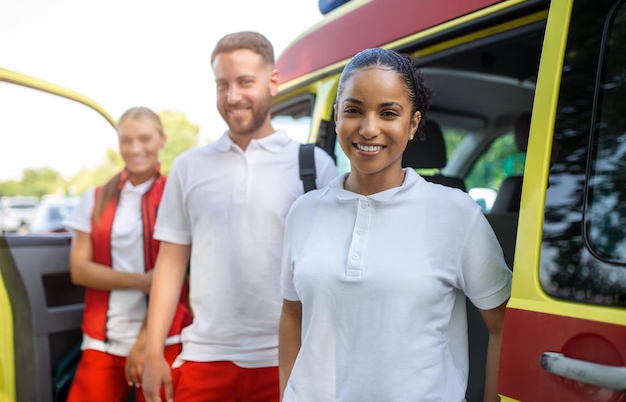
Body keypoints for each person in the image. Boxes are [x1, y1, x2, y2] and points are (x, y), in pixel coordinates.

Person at [278, 48, 512, 402]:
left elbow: (502, 325)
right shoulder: (303, 211)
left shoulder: (455, 213)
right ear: (337, 116)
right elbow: (292, 313)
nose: (369, 129)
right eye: (354, 110)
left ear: (413, 124)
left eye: (388, 113)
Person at [142, 31, 338, 402]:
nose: (233, 97)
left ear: (273, 82)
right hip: (204, 357)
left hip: (288, 359)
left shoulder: (314, 165)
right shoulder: (189, 167)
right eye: (222, 85)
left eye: (245, 82)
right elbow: (170, 263)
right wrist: (154, 353)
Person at [64, 106, 192, 402]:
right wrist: (141, 281)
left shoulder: (177, 192)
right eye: (126, 140)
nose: (135, 149)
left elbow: (179, 270)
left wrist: (146, 343)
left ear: (162, 139)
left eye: (145, 139)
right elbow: (79, 270)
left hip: (165, 339)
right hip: (103, 341)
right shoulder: (95, 198)